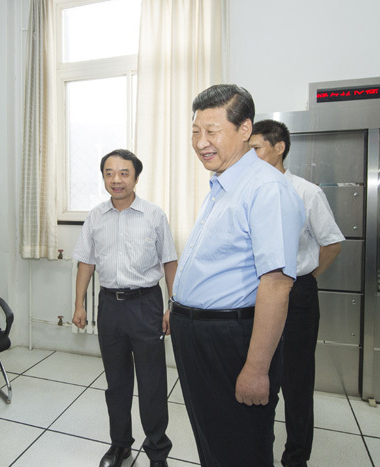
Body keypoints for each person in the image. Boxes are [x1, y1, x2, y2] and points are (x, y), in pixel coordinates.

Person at [169, 84, 305, 467]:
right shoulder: (224, 183)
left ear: (245, 129)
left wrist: (257, 368)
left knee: (240, 447)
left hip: (232, 340)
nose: (201, 142)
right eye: (196, 131)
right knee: (214, 441)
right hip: (199, 334)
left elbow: (277, 284)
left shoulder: (266, 188)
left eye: (212, 131)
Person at [73, 149, 177, 467]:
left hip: (146, 305)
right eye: (109, 173)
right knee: (116, 382)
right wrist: (78, 304)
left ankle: (157, 450)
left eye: (123, 173)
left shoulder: (154, 215)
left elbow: (170, 262)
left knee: (152, 382)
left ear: (136, 177)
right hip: (110, 307)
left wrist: (171, 305)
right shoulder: (95, 217)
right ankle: (120, 445)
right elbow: (86, 262)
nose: (116, 179)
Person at [250, 119, 344, 467]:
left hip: (296, 294)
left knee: (297, 381)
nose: (250, 156)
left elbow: (332, 243)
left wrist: (302, 278)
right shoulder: (248, 192)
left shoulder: (306, 192)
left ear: (279, 148)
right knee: (259, 373)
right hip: (255, 293)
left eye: (256, 148)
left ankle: (295, 458)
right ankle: (259, 451)